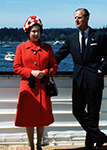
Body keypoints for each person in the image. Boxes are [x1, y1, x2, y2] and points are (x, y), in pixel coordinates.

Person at [55, 8, 107, 150]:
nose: (77, 20)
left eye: (80, 17)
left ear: (87, 18)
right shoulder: (71, 38)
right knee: (77, 110)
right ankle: (100, 136)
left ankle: (90, 145)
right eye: (75, 18)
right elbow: (58, 56)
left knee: (93, 113)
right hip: (78, 80)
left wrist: (101, 69)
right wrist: (44, 65)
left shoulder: (99, 35)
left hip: (94, 79)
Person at [13, 16, 58, 150]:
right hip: (28, 88)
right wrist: (31, 72)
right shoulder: (21, 48)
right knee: (29, 118)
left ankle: (39, 145)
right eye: (33, 31)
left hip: (43, 87)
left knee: (41, 117)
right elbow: (16, 67)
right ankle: (31, 145)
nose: (36, 34)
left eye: (38, 31)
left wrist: (44, 72)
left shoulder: (47, 48)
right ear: (28, 32)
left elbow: (54, 67)